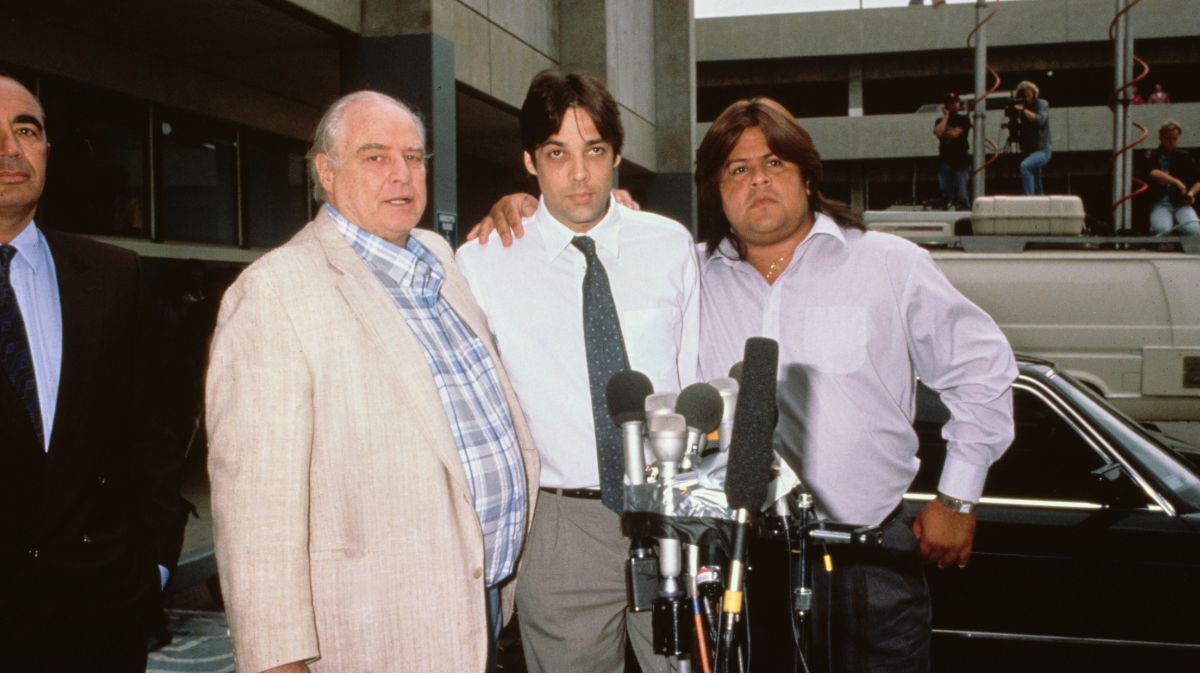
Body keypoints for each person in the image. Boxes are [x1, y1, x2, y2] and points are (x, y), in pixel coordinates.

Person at [206, 90, 538, 672]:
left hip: (479, 600)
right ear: (325, 171)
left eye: (414, 157)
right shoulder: (275, 292)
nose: (402, 175)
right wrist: (278, 661)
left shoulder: (437, 257)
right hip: (372, 629)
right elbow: (254, 508)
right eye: (376, 157)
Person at [694, 97, 1016, 670]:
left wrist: (959, 495)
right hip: (739, 563)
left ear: (807, 175)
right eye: (737, 170)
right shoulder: (690, 280)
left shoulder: (888, 263)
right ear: (716, 190)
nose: (758, 181)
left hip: (868, 566)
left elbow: (981, 367)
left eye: (774, 163)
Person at [456, 70, 699, 673]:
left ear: (617, 155)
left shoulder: (668, 245)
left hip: (672, 507)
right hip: (559, 524)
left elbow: (696, 372)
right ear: (530, 162)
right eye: (557, 153)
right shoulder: (484, 262)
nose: (580, 173)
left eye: (594, 150)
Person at [0, 74, 183, 671]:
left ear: (47, 150)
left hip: (100, 618)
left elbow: (151, 435)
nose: (10, 148)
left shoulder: (113, 276)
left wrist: (153, 564)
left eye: (25, 130)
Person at [1135, 120, 1200, 235]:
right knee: (1162, 231)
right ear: (1161, 138)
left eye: (1174, 139)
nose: (1171, 142)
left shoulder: (1184, 156)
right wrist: (1177, 182)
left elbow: (1197, 180)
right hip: (1160, 203)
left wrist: (1191, 194)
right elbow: (1152, 172)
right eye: (1168, 139)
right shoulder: (1151, 154)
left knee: (1194, 231)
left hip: (1181, 203)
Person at [1010, 80, 1051, 195]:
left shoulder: (1042, 104)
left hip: (1042, 149)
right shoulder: (1021, 110)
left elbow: (1040, 120)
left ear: (1034, 94)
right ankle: (1040, 202)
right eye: (1023, 96)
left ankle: (1029, 199)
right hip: (1029, 150)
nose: (1026, 98)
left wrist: (1023, 110)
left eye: (1028, 95)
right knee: (1037, 183)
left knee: (1025, 166)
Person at [933, 91, 972, 210]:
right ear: (946, 106)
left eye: (956, 102)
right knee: (945, 194)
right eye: (951, 103)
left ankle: (965, 215)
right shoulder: (939, 120)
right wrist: (946, 116)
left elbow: (955, 134)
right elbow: (938, 132)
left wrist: (946, 132)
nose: (954, 105)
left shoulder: (964, 119)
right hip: (945, 162)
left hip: (960, 162)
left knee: (962, 194)